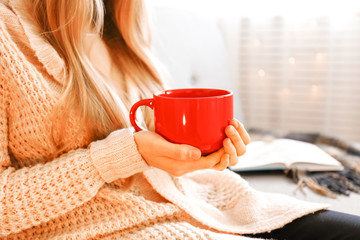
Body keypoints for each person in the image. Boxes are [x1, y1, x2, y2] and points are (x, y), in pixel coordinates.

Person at [0, 0, 359, 239]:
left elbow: (156, 151)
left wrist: (196, 158)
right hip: (101, 227)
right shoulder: (7, 39)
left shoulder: (120, 20)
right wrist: (122, 154)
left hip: (195, 198)